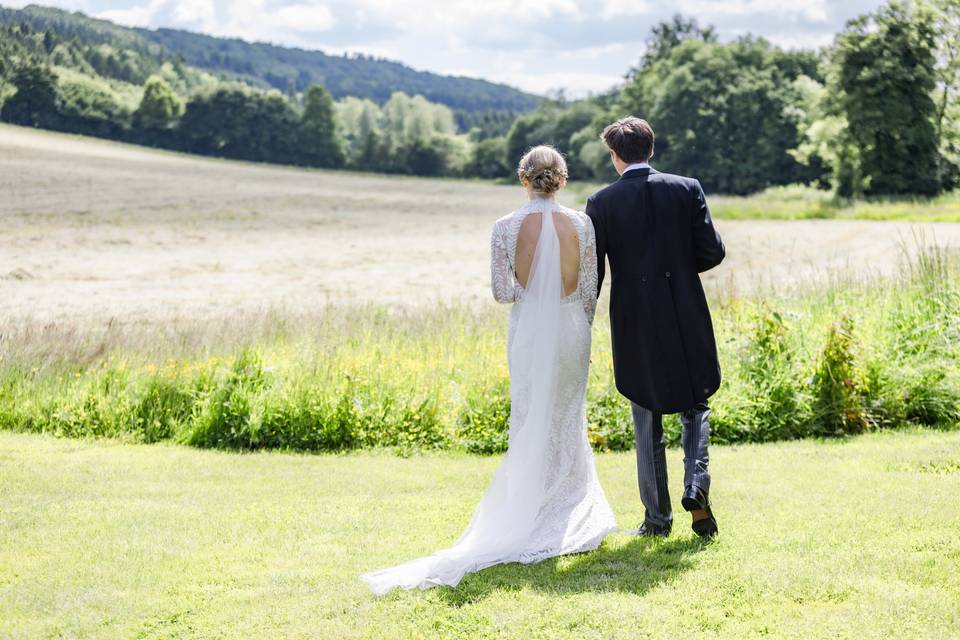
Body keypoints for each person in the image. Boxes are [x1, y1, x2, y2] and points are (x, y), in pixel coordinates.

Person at [359, 145, 618, 594]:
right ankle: (569, 514)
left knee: (529, 418)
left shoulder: (505, 227)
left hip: (531, 333)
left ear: (524, 179)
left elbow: (503, 292)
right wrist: (579, 329)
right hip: (573, 332)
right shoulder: (582, 224)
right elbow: (591, 289)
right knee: (566, 417)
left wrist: (532, 290)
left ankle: (531, 510)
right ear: (562, 179)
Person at [586, 117, 725, 540]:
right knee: (696, 400)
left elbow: (595, 275)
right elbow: (713, 252)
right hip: (685, 310)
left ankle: (657, 520)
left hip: (634, 321)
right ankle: (696, 487)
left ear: (615, 156)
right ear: (651, 149)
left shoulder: (601, 202)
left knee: (645, 413)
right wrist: (679, 269)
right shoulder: (687, 188)